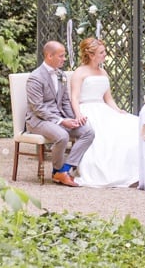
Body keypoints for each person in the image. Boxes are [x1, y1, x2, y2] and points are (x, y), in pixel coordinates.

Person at [67, 37, 139, 187]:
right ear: (91, 55)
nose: (105, 54)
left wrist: (118, 111)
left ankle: (133, 170)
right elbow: (74, 97)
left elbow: (108, 98)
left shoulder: (103, 72)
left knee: (132, 124)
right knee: (104, 134)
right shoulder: (79, 73)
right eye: (102, 52)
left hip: (103, 108)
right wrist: (78, 114)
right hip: (87, 109)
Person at [24, 40, 94, 187]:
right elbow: (38, 108)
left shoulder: (61, 75)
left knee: (88, 131)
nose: (64, 59)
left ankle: (64, 170)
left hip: (59, 118)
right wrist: (62, 122)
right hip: (38, 120)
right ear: (50, 56)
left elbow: (65, 102)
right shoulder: (35, 78)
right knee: (62, 136)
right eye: (61, 56)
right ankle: (57, 170)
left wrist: (73, 118)